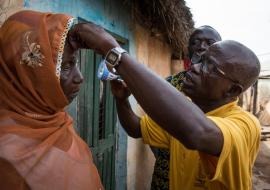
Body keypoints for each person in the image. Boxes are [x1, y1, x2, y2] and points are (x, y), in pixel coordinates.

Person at [69, 23, 261, 190]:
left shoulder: (245, 125)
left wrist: (114, 52)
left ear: (232, 90)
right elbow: (136, 129)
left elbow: (198, 132)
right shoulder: (186, 109)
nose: (193, 67)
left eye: (208, 65)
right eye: (199, 60)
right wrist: (121, 100)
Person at [0, 11, 103, 189]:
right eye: (65, 67)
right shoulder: (5, 154)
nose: (80, 77)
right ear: (29, 77)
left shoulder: (58, 121)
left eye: (75, 63)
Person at [151, 25, 222, 190]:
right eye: (195, 42)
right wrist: (164, 155)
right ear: (188, 49)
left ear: (220, 49)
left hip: (207, 170)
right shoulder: (168, 84)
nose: (202, 46)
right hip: (167, 169)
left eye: (209, 42)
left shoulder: (225, 87)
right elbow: (153, 123)